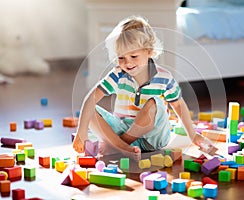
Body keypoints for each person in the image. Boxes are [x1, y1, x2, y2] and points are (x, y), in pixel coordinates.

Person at [73, 16, 217, 161]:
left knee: (155, 102)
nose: (127, 63)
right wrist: (81, 131)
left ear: (148, 51)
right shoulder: (117, 75)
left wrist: (193, 135)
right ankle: (122, 147)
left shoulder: (164, 77)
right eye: (121, 58)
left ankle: (118, 146)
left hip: (153, 138)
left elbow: (178, 105)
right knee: (90, 108)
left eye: (133, 56)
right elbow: (91, 98)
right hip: (122, 130)